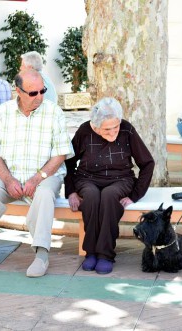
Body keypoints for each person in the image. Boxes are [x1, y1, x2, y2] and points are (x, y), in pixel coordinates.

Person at [0, 69, 73, 277]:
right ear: (18, 91)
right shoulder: (2, 113)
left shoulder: (54, 112)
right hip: (10, 175)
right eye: (33, 93)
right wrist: (7, 179)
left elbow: (60, 154)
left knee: (43, 194)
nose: (40, 97)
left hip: (46, 176)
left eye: (42, 91)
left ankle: (41, 253)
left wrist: (37, 178)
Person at [65, 97, 155, 274]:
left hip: (121, 179)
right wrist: (71, 191)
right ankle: (90, 252)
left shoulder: (127, 129)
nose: (113, 132)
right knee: (90, 196)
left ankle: (105, 254)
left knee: (108, 196)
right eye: (107, 129)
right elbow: (68, 162)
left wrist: (135, 195)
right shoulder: (84, 130)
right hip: (87, 178)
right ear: (95, 126)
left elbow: (147, 163)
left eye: (116, 127)